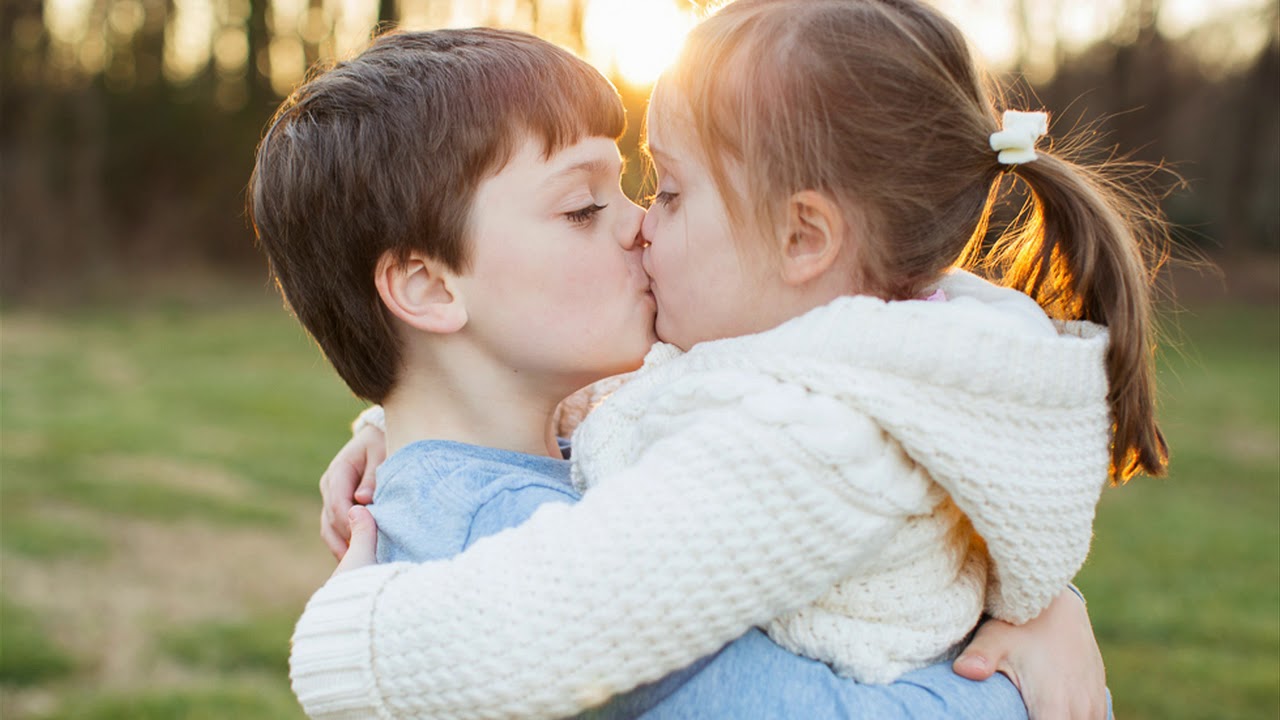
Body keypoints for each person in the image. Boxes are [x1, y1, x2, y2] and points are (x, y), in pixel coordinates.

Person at [250, 13, 1129, 720]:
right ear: (429, 288)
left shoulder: (528, 459)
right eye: (585, 208)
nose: (638, 224)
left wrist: (383, 429)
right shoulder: (499, 541)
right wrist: (1008, 693)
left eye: (652, 191)